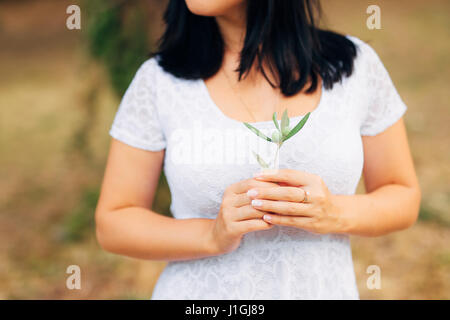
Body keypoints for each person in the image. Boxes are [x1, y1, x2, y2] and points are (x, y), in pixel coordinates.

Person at [95, 0, 421, 299]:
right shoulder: (159, 82)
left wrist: (333, 212)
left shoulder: (354, 67)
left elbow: (402, 195)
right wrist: (211, 234)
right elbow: (114, 222)